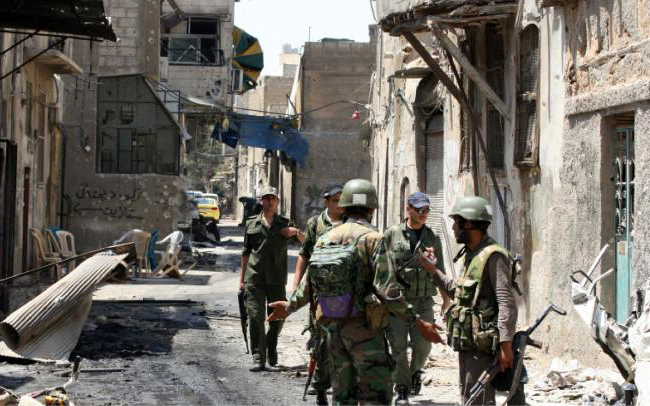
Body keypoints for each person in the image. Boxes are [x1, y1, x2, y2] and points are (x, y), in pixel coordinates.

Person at [267, 179, 443, 405]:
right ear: (371, 209)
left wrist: (289, 306)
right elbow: (388, 291)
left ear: (345, 207)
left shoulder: (325, 239)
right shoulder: (373, 239)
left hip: (333, 331)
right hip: (365, 332)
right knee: (375, 396)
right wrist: (418, 322)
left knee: (343, 396)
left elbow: (310, 282)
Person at [419, 195, 518, 405]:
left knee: (478, 400)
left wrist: (505, 345)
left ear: (469, 223)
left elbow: (506, 302)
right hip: (468, 343)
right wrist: (432, 269)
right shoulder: (472, 255)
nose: (453, 227)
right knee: (468, 395)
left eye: (457, 222)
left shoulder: (494, 256)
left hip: (484, 346)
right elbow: (458, 292)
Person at [384, 192, 445, 403]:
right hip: (398, 301)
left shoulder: (433, 237)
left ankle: (414, 371)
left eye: (426, 209)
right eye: (419, 209)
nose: (424, 213)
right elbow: (381, 266)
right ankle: (402, 388)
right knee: (398, 346)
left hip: (424, 301)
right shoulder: (392, 234)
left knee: (423, 345)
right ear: (408, 208)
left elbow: (440, 271)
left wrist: (446, 298)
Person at [239, 186, 305, 371]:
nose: (269, 202)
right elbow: (245, 253)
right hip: (254, 277)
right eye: (266, 198)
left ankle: (271, 344)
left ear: (277, 201)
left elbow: (306, 243)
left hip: (276, 278)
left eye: (272, 198)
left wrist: (296, 231)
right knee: (255, 316)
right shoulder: (251, 223)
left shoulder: (285, 223)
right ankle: (258, 358)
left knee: (278, 316)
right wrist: (242, 280)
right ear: (261, 200)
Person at [292, 182, 345, 405]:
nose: (340, 205)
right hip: (319, 293)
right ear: (326, 201)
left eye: (342, 201)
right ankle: (321, 386)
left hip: (344, 292)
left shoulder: (351, 223)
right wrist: (296, 286)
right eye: (335, 201)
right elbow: (304, 255)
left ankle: (340, 387)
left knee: (342, 342)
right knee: (321, 343)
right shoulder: (315, 224)